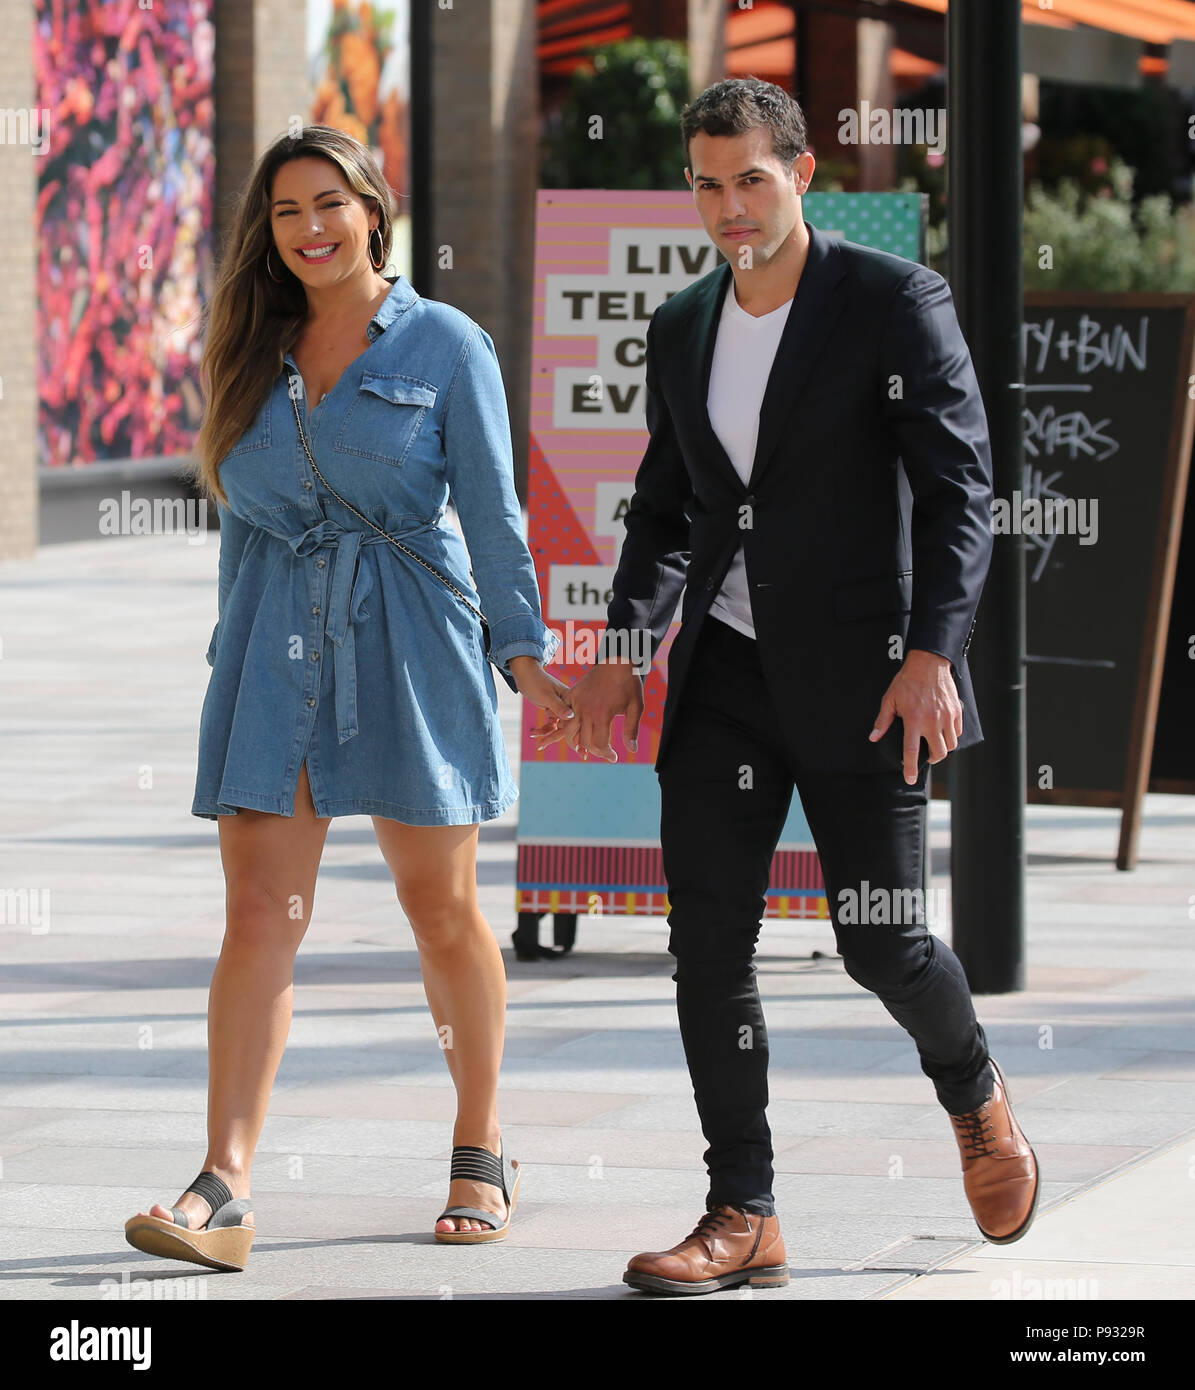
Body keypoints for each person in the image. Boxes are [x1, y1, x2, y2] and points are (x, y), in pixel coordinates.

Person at [533, 78, 1038, 1296]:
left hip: (870, 677)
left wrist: (933, 652)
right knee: (706, 943)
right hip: (726, 674)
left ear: (801, 173)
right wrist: (620, 650)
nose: (727, 207)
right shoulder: (684, 325)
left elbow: (963, 491)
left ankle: (972, 1088)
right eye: (706, 184)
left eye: (749, 179)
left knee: (880, 942)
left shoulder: (889, 303)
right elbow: (666, 510)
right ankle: (742, 1208)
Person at [124, 125, 572, 1272]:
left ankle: (481, 1143)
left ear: (375, 207)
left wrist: (523, 653)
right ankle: (222, 1181)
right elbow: (244, 517)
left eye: (330, 202)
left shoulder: (446, 342)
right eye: (286, 211)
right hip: (276, 645)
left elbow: (493, 508)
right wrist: (232, 655)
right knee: (257, 914)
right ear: (265, 231)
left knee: (438, 907)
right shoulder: (248, 344)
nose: (310, 227)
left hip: (413, 633)